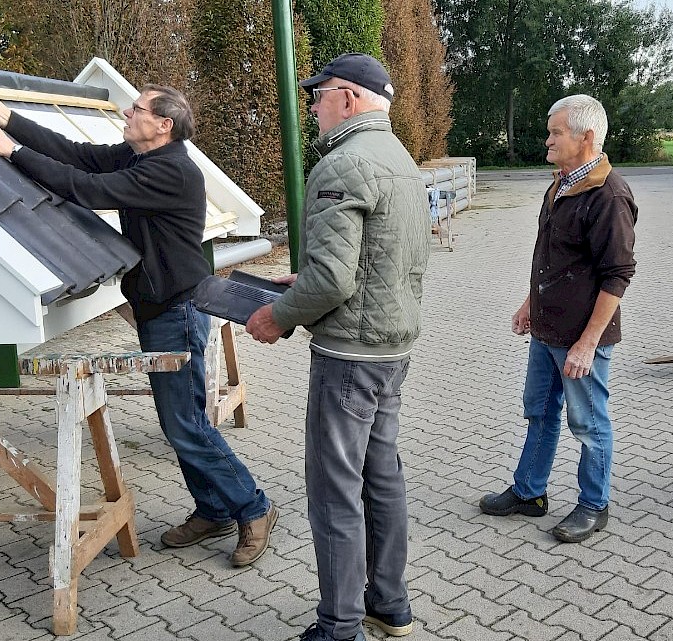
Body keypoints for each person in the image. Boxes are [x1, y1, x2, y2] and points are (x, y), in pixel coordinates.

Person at [0, 85, 278, 565]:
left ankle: (254, 506)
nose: (129, 113)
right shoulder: (139, 156)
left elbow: (87, 189)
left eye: (138, 109)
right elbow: (79, 155)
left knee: (184, 423)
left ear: (163, 125)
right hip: (160, 307)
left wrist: (11, 151)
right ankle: (214, 509)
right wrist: (6, 117)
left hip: (179, 308)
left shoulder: (170, 171)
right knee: (179, 420)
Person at [246, 53, 429, 641]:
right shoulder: (398, 159)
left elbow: (334, 281)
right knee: (382, 478)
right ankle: (389, 605)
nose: (314, 107)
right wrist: (301, 283)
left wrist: (279, 314)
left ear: (348, 97)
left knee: (334, 491)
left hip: (349, 355)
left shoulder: (343, 164)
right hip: (391, 348)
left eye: (318, 96)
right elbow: (372, 261)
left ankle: (339, 624)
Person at [480, 94, 636, 544]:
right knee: (540, 413)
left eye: (555, 132)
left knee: (589, 424)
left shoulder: (610, 196)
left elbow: (618, 274)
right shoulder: (561, 183)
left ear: (586, 138)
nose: (547, 139)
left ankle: (593, 505)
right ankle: (530, 493)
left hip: (581, 338)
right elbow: (550, 258)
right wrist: (530, 303)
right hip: (546, 329)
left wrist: (587, 344)